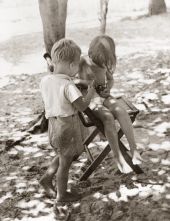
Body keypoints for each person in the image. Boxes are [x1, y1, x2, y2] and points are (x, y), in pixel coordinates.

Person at [77, 35, 144, 174]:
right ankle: (118, 157)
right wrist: (87, 84)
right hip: (91, 100)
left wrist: (108, 88)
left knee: (120, 110)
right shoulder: (82, 61)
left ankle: (133, 148)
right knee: (107, 117)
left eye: (105, 60)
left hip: (104, 96)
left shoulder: (103, 64)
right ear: (92, 52)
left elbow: (110, 79)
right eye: (99, 59)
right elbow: (72, 81)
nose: (102, 63)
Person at [39, 38, 95, 202]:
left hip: (53, 125)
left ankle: (46, 179)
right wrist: (90, 92)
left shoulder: (46, 80)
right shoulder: (68, 87)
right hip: (67, 127)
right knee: (65, 164)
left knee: (63, 154)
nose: (77, 71)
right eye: (77, 66)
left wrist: (78, 82)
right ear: (71, 65)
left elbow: (59, 79)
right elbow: (82, 106)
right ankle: (62, 196)